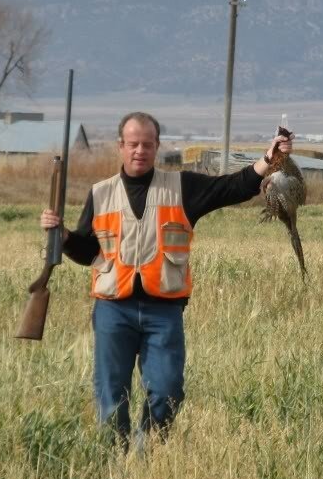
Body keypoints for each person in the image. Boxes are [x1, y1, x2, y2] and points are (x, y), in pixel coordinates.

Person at [40, 111, 293, 450]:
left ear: (157, 146)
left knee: (167, 391)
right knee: (111, 394)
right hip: (113, 309)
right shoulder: (100, 194)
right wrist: (65, 235)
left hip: (164, 312)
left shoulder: (182, 188)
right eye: (132, 144)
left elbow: (232, 187)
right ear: (120, 146)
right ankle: (116, 461)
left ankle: (145, 450)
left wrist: (269, 159)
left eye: (147, 144)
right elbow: (88, 252)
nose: (139, 151)